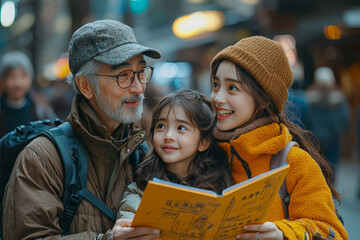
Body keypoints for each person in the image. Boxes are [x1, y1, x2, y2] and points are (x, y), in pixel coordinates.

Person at [2, 19, 163, 239]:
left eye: (141, 72)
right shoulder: (41, 158)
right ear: (86, 86)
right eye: (123, 75)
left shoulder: (141, 152)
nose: (138, 87)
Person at [209, 36, 348, 240]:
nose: (217, 98)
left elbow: (332, 233)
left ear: (264, 99)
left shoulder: (295, 163)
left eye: (232, 88)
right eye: (215, 85)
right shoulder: (204, 154)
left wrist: (284, 234)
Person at [116, 89, 233, 221]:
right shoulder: (140, 190)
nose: (168, 136)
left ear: (203, 142)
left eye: (181, 128)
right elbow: (128, 229)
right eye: (161, 126)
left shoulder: (220, 188)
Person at [304, 67, 350, 176]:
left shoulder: (310, 100)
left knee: (318, 172)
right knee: (331, 172)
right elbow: (345, 120)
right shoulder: (339, 100)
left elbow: (306, 121)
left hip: (315, 140)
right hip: (333, 140)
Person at [0, 51, 56, 138]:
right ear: (2, 80)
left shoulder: (42, 112)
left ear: (30, 79)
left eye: (23, 76)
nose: (18, 83)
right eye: (12, 76)